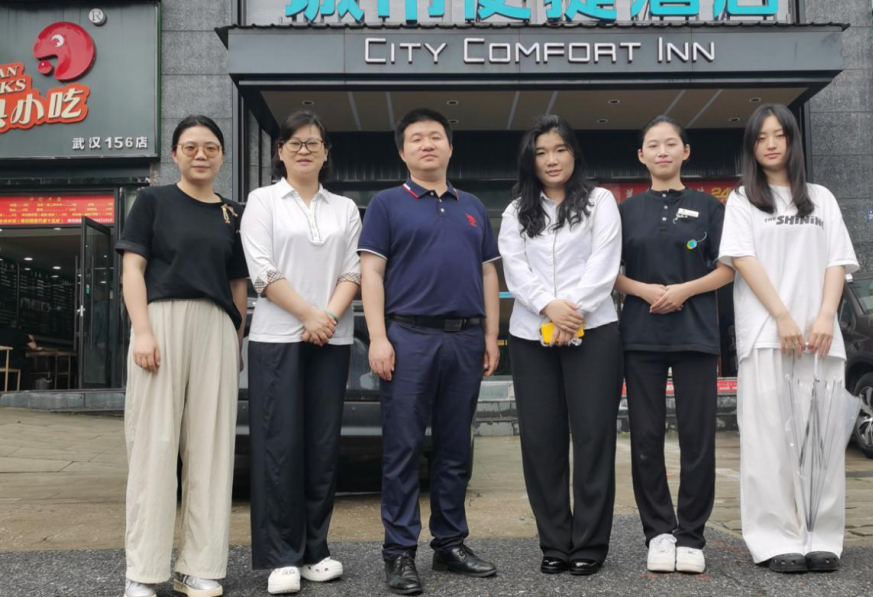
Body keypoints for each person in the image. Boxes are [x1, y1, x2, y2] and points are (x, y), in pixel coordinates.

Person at [358, 108, 501, 596]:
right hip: (408, 338)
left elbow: (488, 273)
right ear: (403, 151)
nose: (427, 144)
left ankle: (450, 543)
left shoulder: (472, 206)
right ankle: (399, 552)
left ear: (449, 147)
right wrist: (379, 337)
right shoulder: (386, 204)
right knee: (402, 448)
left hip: (465, 339)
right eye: (416, 138)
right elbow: (371, 272)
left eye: (435, 136)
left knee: (455, 447)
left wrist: (490, 336)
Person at [718, 104, 858, 574]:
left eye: (779, 135)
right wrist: (781, 316)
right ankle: (775, 538)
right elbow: (742, 259)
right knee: (768, 442)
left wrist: (825, 316)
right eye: (761, 138)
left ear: (793, 141)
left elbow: (836, 261)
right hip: (766, 335)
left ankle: (821, 535)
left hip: (820, 337)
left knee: (821, 439)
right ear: (751, 148)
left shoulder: (821, 198)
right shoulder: (743, 200)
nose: (771, 144)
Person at [117, 116, 249, 597]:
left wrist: (236, 336)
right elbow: (133, 269)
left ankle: (199, 565)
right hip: (161, 322)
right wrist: (142, 331)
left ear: (222, 156)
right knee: (153, 447)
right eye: (190, 146)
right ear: (174, 154)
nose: (201, 154)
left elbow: (238, 281)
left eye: (210, 147)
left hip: (217, 327)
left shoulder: (232, 213)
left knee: (212, 449)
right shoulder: (152, 201)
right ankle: (143, 571)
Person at [240, 111, 361, 595]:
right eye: (295, 142)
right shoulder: (263, 201)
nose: (304, 149)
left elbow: (352, 270)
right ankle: (281, 557)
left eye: (313, 142)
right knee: (279, 446)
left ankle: (315, 550)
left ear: (326, 152)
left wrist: (326, 317)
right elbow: (262, 270)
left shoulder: (344, 208)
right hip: (276, 338)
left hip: (332, 338)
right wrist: (308, 315)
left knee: (322, 446)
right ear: (280, 151)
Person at [498, 115, 623, 577]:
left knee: (593, 437)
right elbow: (515, 268)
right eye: (541, 152)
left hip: (595, 333)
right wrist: (549, 307)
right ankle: (554, 542)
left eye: (560, 149)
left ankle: (589, 543)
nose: (551, 160)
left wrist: (574, 312)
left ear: (574, 154)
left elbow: (604, 262)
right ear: (529, 161)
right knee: (541, 441)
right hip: (532, 336)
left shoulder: (600, 201)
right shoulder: (516, 211)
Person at [614, 116, 734, 575]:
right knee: (645, 438)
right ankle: (659, 533)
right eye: (653, 145)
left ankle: (692, 535)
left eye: (670, 144)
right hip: (640, 336)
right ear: (641, 156)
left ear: (686, 151)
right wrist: (644, 291)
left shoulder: (709, 206)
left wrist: (684, 290)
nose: (662, 151)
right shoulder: (625, 210)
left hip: (695, 335)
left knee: (697, 438)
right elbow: (608, 270)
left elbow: (727, 268)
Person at [0, 319, 38, 390]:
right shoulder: (21, 332)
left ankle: (6, 388)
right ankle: (22, 389)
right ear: (20, 327)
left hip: (0, 362)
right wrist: (32, 338)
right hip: (12, 362)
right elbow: (34, 347)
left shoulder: (1, 331)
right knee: (26, 364)